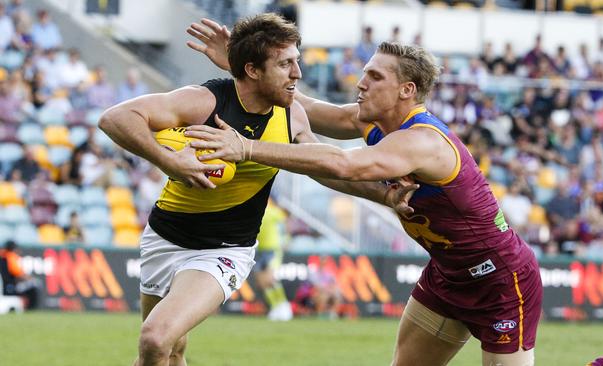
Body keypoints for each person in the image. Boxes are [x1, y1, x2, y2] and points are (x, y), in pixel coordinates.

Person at [186, 21, 543, 366]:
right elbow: (303, 108)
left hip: (501, 280)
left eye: (375, 77)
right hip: (448, 275)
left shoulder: (422, 141)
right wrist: (250, 69)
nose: (361, 82)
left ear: (406, 90)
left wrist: (246, 148)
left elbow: (342, 164)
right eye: (364, 72)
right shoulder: (375, 122)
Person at [100, 13, 414, 366]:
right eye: (285, 64)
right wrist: (168, 161)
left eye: (297, 61)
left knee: (155, 339)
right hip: (163, 238)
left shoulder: (292, 114)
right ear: (252, 70)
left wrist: (383, 195)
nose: (298, 73)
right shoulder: (204, 101)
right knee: (169, 351)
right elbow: (115, 118)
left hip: (225, 249)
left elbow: (324, 167)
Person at [254, 197, 293, 321]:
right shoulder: (254, 210)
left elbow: (286, 220)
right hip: (257, 249)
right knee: (261, 282)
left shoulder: (272, 210)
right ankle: (275, 306)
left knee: (270, 279)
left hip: (271, 249)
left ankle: (283, 306)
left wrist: (287, 239)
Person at [0, 240, 40, 309]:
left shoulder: (3, 256)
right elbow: (18, 274)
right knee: (34, 285)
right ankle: (30, 309)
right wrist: (31, 278)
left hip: (5, 287)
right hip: (11, 287)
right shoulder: (10, 257)